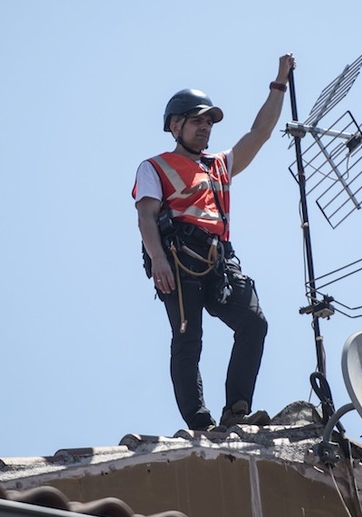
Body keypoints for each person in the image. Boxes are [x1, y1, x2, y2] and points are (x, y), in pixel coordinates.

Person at [132, 53, 295, 431]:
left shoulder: (219, 164)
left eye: (209, 121)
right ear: (175, 125)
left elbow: (260, 133)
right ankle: (199, 422)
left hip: (219, 260)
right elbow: (145, 216)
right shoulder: (155, 166)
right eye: (197, 120)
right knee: (188, 339)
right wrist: (157, 259)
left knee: (254, 324)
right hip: (179, 259)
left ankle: (236, 411)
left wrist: (279, 83)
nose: (205, 127)